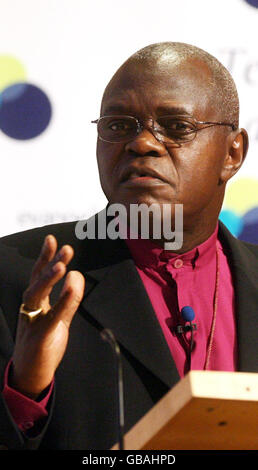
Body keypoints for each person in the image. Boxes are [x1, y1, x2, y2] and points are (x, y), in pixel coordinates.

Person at [0, 42, 257, 451]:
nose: (142, 144)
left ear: (232, 153)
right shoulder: (16, 279)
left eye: (175, 127)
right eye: (119, 126)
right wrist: (25, 390)